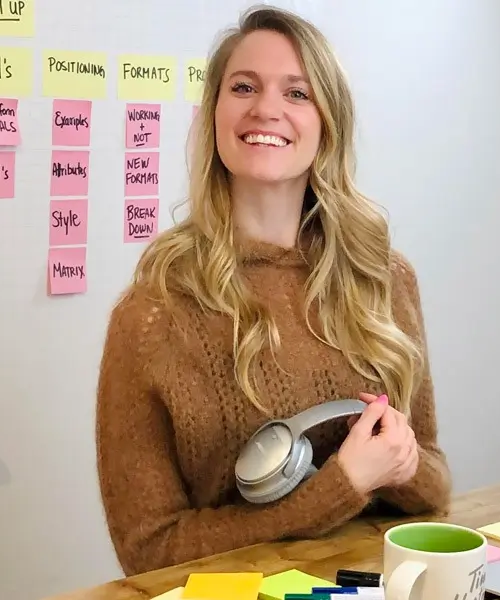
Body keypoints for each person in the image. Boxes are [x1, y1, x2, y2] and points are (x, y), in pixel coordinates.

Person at [94, 5, 452, 576]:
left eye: (297, 93)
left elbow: (434, 479)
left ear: (327, 122)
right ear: (214, 113)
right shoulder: (152, 316)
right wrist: (339, 487)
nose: (266, 109)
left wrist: (403, 465)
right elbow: (149, 551)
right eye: (244, 87)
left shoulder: (383, 278)